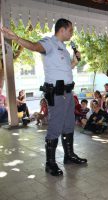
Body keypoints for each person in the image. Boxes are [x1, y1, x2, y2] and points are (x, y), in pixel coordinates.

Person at [1, 18, 87, 176]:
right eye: (71, 30)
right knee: (55, 126)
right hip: (57, 93)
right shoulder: (49, 42)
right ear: (62, 30)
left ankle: (69, 155)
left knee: (68, 125)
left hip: (68, 93)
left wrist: (74, 62)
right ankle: (50, 163)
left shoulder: (64, 47)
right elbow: (34, 46)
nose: (72, 33)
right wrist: (17, 38)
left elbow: (65, 68)